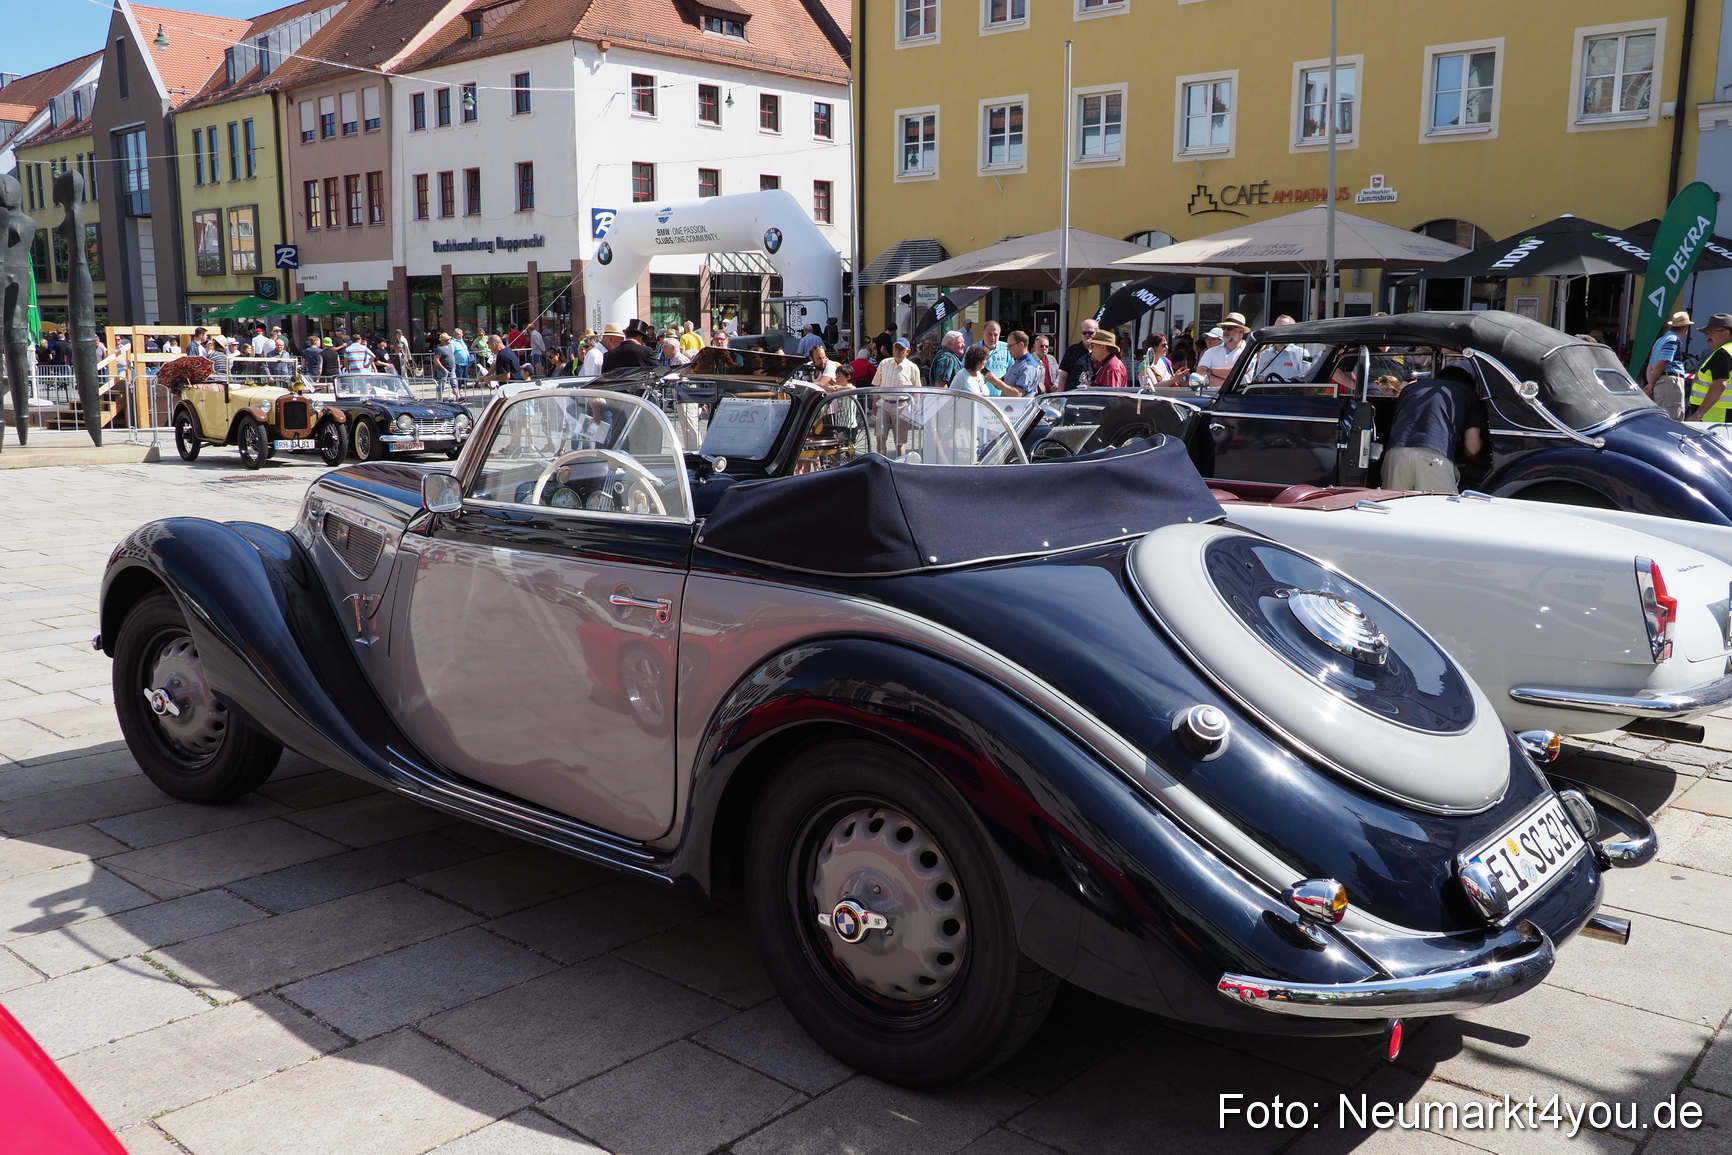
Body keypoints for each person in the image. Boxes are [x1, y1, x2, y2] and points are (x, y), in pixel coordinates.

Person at [1382, 364, 1486, 492]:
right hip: (1433, 457)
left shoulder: (1411, 389)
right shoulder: (1468, 394)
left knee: (1396, 508)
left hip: (1395, 456)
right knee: (1441, 509)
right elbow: (1472, 448)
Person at [1646, 311, 1694, 420]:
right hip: (1670, 382)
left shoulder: (1660, 340)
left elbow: (1650, 367)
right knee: (1673, 418)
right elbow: (1661, 363)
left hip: (1661, 382)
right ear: (1685, 327)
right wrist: (1652, 385)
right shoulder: (1673, 340)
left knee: (1663, 418)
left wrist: (1650, 384)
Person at [1688, 314, 1732, 422]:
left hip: (1715, 416)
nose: (1707, 337)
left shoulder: (1723, 353)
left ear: (1726, 333)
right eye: (1707, 333)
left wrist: (1698, 415)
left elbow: (1720, 384)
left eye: (1711, 332)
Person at [1197, 314, 1250, 386]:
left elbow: (1240, 371)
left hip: (1238, 396)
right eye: (1224, 328)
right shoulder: (1211, 351)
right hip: (1211, 396)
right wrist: (1228, 386)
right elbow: (1200, 373)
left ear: (1241, 331)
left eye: (1229, 328)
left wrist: (1212, 371)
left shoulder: (1249, 352)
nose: (1225, 331)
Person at [1057, 318, 1099, 390]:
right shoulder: (1072, 350)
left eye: (1090, 333)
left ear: (1097, 332)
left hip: (1094, 396)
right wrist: (1060, 396)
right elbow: (1063, 375)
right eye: (1084, 332)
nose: (1087, 335)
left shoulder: (1101, 351)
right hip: (1073, 397)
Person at [1000, 330, 1042, 397]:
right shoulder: (1016, 362)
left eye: (1010, 346)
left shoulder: (1029, 366)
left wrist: (995, 381)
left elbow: (1018, 394)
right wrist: (986, 372)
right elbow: (1003, 382)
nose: (1008, 349)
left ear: (1021, 345)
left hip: (1020, 407)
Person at [433, 333, 457, 398]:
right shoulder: (439, 349)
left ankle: (458, 396)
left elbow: (452, 355)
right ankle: (439, 398)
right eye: (447, 339)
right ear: (443, 341)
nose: (449, 340)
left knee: (454, 383)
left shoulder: (450, 347)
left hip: (451, 368)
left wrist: (454, 364)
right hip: (443, 370)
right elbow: (436, 360)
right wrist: (443, 368)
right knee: (441, 384)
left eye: (449, 339)